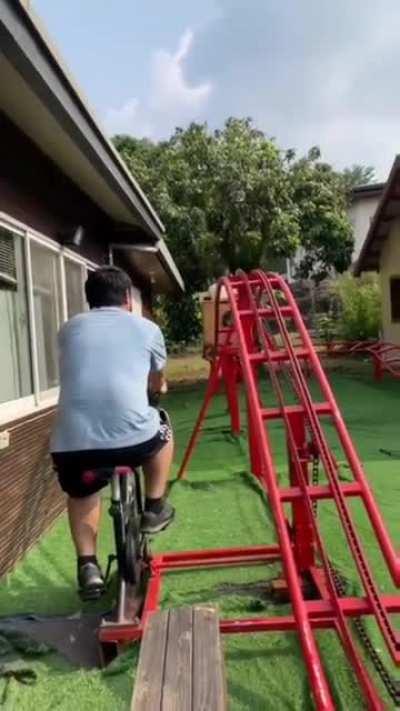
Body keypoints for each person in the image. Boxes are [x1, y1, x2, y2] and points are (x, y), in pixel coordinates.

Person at [50, 266, 174, 600]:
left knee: (83, 493)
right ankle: (154, 505)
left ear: (90, 301)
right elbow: (156, 379)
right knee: (162, 424)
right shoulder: (147, 329)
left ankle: (87, 565)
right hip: (134, 441)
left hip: (72, 445)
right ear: (127, 299)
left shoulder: (68, 330)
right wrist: (158, 387)